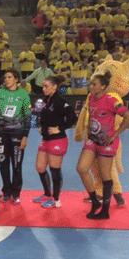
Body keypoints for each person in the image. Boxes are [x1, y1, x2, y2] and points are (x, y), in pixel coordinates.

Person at [76, 71, 129, 219]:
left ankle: (104, 211)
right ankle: (95, 201)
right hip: (93, 140)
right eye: (90, 84)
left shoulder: (110, 99)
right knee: (81, 168)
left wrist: (115, 135)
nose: (91, 87)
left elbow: (128, 117)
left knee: (105, 175)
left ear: (103, 86)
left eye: (94, 84)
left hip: (106, 142)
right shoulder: (90, 98)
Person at [33, 75, 77, 208]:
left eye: (46, 86)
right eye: (43, 86)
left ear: (54, 86)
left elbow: (72, 118)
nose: (43, 89)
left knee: (54, 170)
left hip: (58, 140)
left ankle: (56, 199)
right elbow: (43, 116)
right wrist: (41, 127)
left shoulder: (61, 102)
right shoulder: (46, 100)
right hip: (46, 139)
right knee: (40, 167)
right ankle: (47, 194)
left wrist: (60, 128)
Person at [0, 68, 31, 204]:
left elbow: (27, 117)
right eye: (5, 77)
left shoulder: (23, 94)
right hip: (2, 134)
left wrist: (25, 136)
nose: (6, 79)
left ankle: (16, 192)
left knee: (16, 164)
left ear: (16, 79)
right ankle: (6, 191)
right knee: (3, 163)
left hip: (17, 134)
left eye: (9, 77)